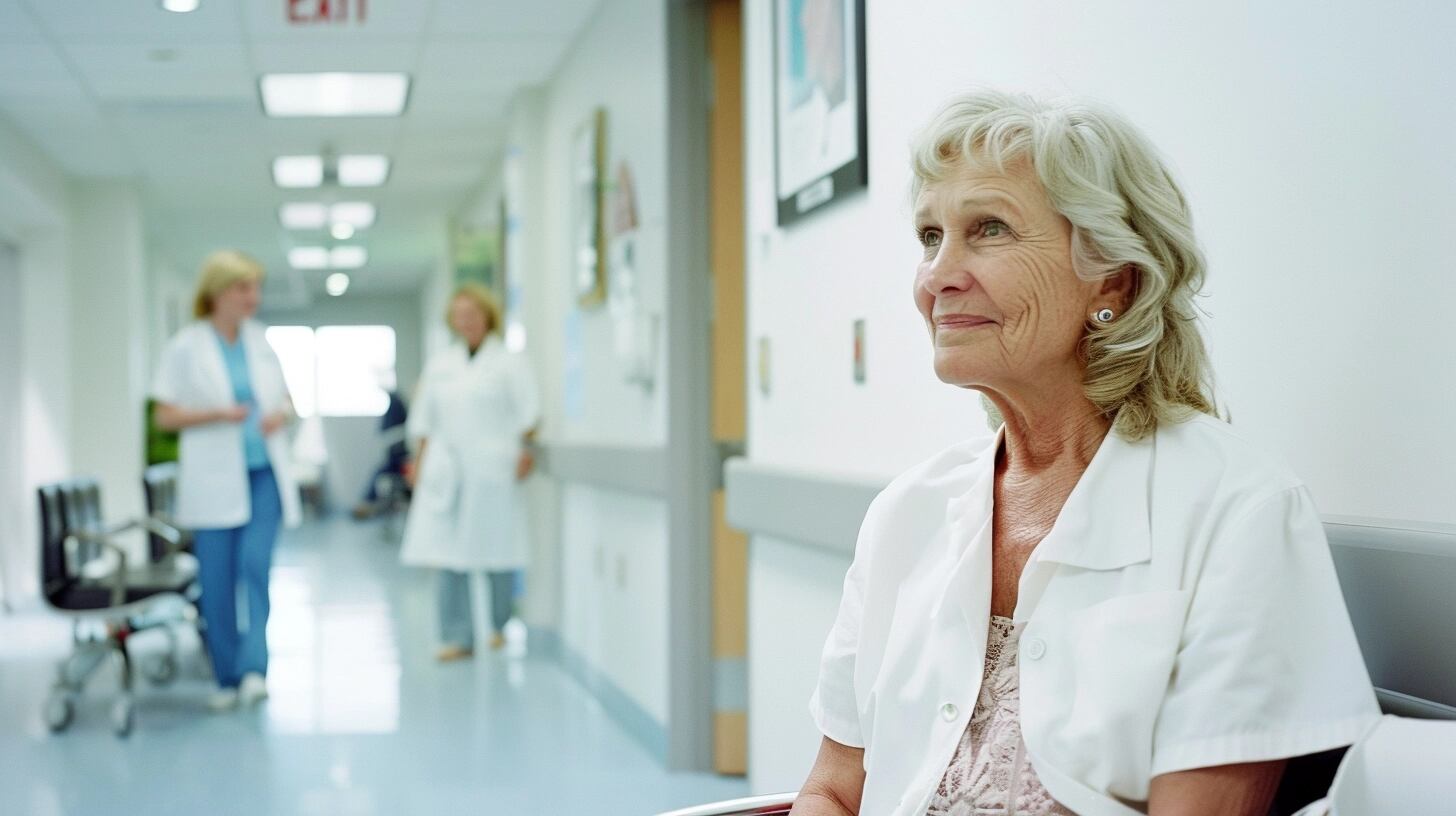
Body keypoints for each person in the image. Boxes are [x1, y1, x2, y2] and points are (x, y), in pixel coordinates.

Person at [791, 90, 1380, 816]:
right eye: (928, 236)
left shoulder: (1241, 510)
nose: (938, 275)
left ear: (1114, 279)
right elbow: (831, 789)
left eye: (989, 229)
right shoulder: (904, 514)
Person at [151, 250, 301, 711]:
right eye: (243, 288)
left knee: (256, 567)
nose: (252, 297)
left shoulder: (261, 342)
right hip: (214, 479)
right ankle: (225, 675)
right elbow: (164, 416)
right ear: (217, 293)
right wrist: (217, 414)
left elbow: (288, 401)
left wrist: (282, 416)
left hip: (264, 477)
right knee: (216, 580)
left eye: (255, 287)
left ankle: (254, 668)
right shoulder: (186, 346)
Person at [400, 283, 540, 660]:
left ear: (488, 316)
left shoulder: (509, 362)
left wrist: (527, 451)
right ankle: (456, 636)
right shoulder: (441, 364)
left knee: (497, 546)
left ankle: (498, 623)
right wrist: (420, 463)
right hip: (447, 470)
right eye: (459, 315)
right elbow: (425, 420)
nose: (466, 321)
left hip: (495, 467)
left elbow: (529, 414)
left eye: (473, 314)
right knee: (448, 553)